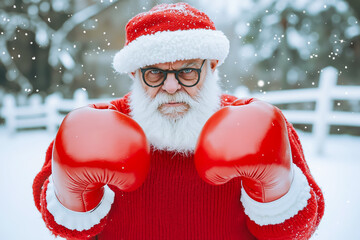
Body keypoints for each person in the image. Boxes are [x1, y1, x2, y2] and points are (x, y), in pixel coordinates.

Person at [33, 2, 324, 240]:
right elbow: (64, 228)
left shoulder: (255, 123)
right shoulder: (98, 126)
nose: (171, 87)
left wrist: (276, 194)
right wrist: (73, 198)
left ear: (211, 67)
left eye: (187, 72)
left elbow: (297, 232)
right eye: (155, 74)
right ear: (135, 74)